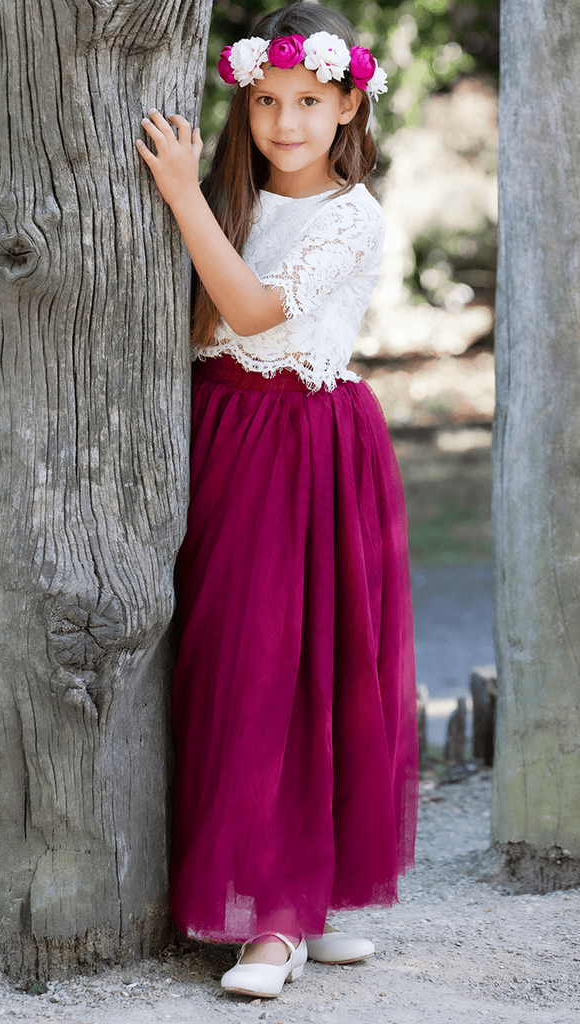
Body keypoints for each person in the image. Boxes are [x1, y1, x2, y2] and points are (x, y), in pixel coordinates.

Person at [135, 0, 418, 1001]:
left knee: (289, 664)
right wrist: (198, 200)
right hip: (217, 428)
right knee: (220, 658)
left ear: (347, 103)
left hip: (300, 445)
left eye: (307, 100)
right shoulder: (234, 200)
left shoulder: (350, 215)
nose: (286, 121)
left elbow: (252, 309)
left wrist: (179, 196)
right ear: (244, 105)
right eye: (266, 101)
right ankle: (296, 891)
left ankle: (279, 922)